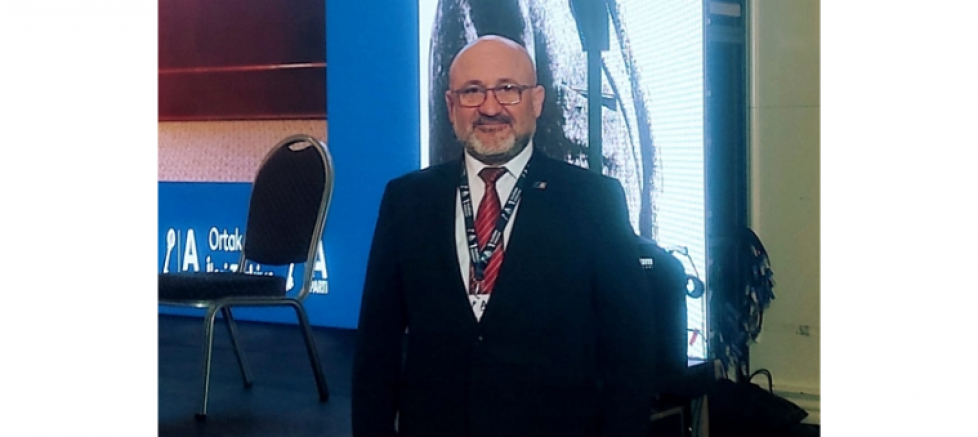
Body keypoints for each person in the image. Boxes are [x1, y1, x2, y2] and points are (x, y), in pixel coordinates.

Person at [352, 35, 657, 437]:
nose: (490, 107)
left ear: (536, 101)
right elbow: (377, 343)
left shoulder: (593, 200)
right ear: (450, 106)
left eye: (508, 89)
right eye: (472, 91)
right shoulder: (406, 199)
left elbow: (629, 350)